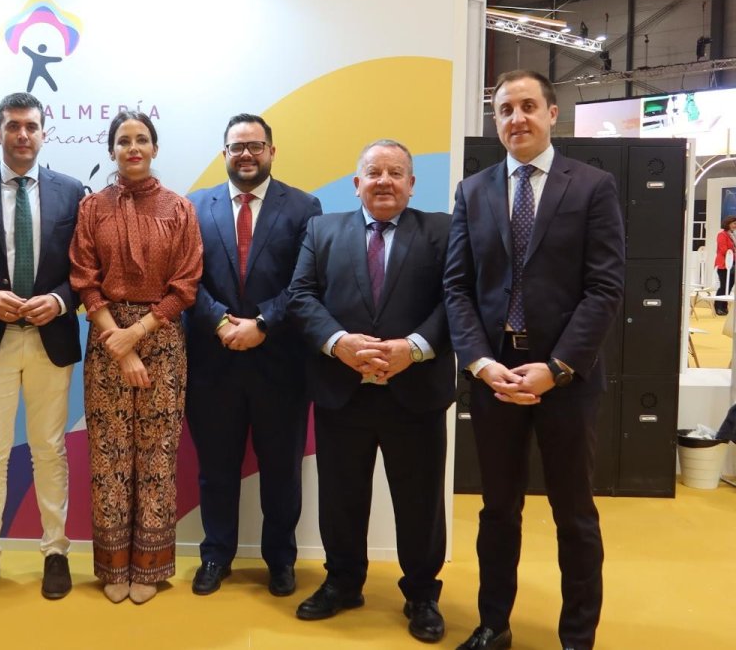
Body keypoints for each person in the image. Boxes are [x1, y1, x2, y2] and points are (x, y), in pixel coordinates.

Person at [444, 69, 625, 650]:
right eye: (504, 110)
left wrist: (556, 367)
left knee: (574, 513)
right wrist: (479, 362)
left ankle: (577, 636)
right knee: (497, 511)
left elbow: (605, 289)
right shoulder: (473, 191)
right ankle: (494, 625)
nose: (516, 118)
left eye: (527, 106)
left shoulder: (592, 186)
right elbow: (457, 288)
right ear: (495, 121)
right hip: (495, 376)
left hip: (566, 381)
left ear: (552, 114)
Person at [288, 140, 453, 642]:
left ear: (411, 184)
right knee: (341, 496)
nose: (384, 180)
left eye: (396, 172)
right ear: (355, 182)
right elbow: (301, 295)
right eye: (374, 172)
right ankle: (343, 582)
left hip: (416, 393)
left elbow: (456, 300)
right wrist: (338, 343)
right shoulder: (322, 230)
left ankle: (422, 593)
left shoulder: (442, 230)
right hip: (344, 391)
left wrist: (416, 347)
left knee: (420, 501)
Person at [0, 92, 85, 603]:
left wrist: (60, 299)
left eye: (31, 126)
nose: (22, 135)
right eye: (13, 126)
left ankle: (55, 552)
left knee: (50, 450)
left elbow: (86, 272)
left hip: (51, 339)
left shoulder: (72, 192)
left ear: (44, 132)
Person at [68, 110, 202, 604]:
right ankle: (112, 566)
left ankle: (150, 565)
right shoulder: (91, 208)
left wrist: (138, 334)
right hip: (105, 340)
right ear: (111, 151)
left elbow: (186, 284)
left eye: (142, 139)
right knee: (108, 456)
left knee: (157, 456)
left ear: (155, 147)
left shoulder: (180, 209)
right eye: (123, 140)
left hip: (163, 339)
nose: (133, 148)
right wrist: (118, 342)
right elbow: (84, 278)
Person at [185, 114, 320, 598]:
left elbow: (305, 283)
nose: (246, 154)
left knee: (282, 471)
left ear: (271, 151)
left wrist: (262, 324)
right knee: (215, 469)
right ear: (224, 153)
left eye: (255, 145)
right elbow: (185, 281)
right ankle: (215, 556)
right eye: (237, 146)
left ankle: (280, 561)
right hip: (212, 362)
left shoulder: (304, 206)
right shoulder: (194, 207)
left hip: (279, 364)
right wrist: (221, 321)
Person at [714, 215, 735, 315]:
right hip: (723, 264)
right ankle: (718, 307)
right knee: (724, 286)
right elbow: (724, 250)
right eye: (734, 223)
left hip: (732, 264)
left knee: (729, 285)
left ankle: (724, 306)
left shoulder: (732, 235)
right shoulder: (722, 235)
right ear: (728, 223)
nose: (735, 226)